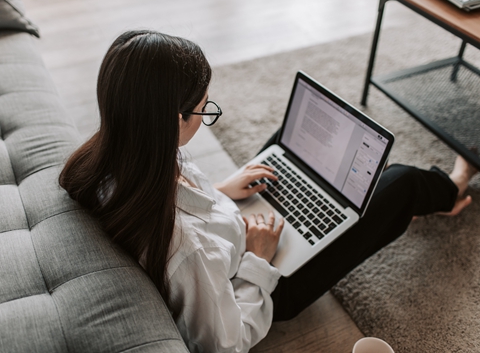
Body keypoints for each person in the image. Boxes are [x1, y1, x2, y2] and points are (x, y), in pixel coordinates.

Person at [59, 30, 478, 352]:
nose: (208, 112)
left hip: (232, 232)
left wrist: (220, 191)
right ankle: (451, 189)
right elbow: (227, 343)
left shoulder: (117, 156)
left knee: (288, 147)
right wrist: (258, 260)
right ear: (172, 119)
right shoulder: (186, 251)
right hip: (267, 283)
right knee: (401, 182)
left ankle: (358, 181)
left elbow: (180, 207)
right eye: (204, 109)